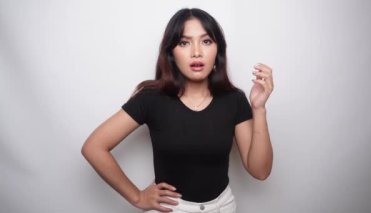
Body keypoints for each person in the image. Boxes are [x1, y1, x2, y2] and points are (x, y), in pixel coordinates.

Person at [81, 8, 274, 213]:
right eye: (184, 42)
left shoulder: (234, 100)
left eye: (206, 41)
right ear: (171, 52)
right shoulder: (150, 98)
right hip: (171, 209)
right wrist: (137, 197)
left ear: (218, 49)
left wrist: (259, 109)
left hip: (222, 207)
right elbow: (93, 147)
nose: (196, 52)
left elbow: (260, 171)